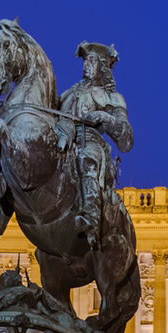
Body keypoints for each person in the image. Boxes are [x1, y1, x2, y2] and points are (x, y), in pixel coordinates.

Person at [59, 41, 133, 249]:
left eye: (91, 61)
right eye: (85, 61)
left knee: (86, 158)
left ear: (103, 66)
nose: (86, 65)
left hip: (91, 143)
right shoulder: (67, 94)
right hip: (63, 142)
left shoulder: (112, 98)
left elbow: (126, 139)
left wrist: (103, 116)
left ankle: (91, 216)